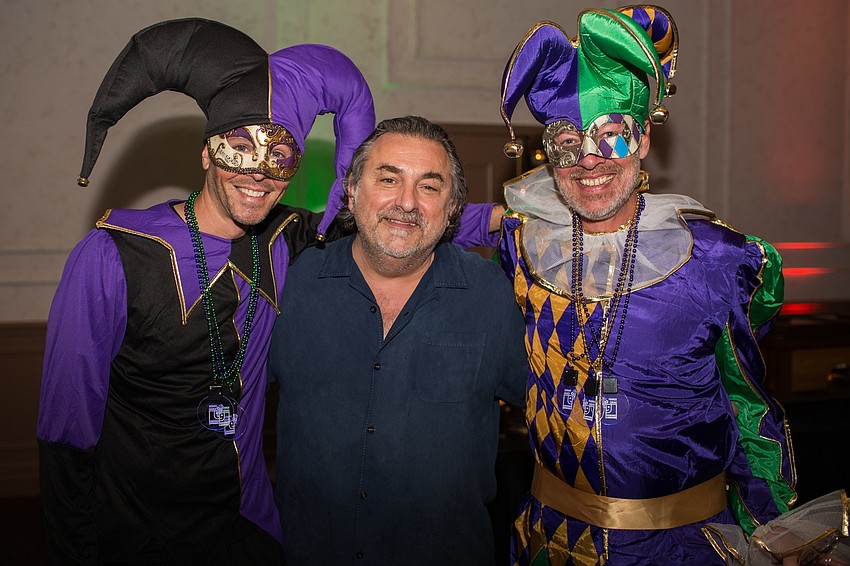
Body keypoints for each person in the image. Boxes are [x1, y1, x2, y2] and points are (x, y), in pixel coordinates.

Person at [36, 19, 498, 564]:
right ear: (206, 152)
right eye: (239, 148)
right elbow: (66, 436)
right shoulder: (112, 256)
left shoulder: (285, 240)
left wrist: (510, 219)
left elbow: (398, 218)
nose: (259, 173)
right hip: (135, 539)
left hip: (247, 535)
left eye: (279, 155)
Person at [492, 6, 796, 565]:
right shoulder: (524, 246)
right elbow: (453, 222)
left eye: (611, 136)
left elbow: (748, 410)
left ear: (644, 139)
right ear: (548, 156)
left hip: (678, 548)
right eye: (567, 142)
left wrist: (780, 541)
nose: (590, 161)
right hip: (549, 541)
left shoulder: (718, 262)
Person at [267, 115, 528, 565]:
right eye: (388, 179)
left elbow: (562, 418)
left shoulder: (494, 295)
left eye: (429, 186)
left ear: (452, 209)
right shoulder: (290, 282)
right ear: (351, 190)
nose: (406, 203)